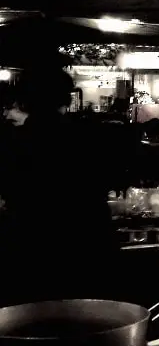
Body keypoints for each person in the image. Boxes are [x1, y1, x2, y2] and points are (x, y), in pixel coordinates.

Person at [0, 61, 126, 305]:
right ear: (67, 99)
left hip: (31, 251)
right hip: (89, 247)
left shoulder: (13, 142)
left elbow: (9, 194)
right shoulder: (90, 136)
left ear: (25, 101)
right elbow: (112, 180)